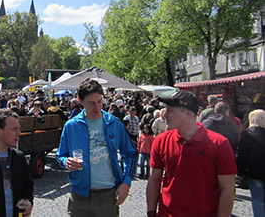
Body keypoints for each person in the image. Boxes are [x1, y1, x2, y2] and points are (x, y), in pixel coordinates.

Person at [146, 90, 237, 217]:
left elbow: (227, 188)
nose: (165, 115)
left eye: (170, 110)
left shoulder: (219, 144)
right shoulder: (161, 141)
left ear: (188, 114)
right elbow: (154, 180)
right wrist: (151, 212)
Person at [57, 78, 138, 217]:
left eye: (100, 101)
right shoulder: (71, 126)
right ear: (80, 101)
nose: (97, 107)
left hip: (108, 194)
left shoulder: (114, 123)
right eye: (91, 103)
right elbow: (60, 156)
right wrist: (66, 162)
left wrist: (126, 182)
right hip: (80, 196)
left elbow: (131, 154)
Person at [236, 109, 265, 217]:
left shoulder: (246, 134)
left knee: (256, 198)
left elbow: (242, 155)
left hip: (253, 171)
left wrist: (240, 171)